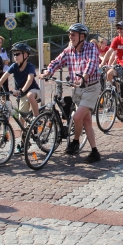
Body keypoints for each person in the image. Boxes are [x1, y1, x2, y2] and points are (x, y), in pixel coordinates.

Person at [42, 23, 101, 162]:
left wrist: (83, 78)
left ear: (82, 36)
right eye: (70, 34)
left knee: (77, 117)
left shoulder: (91, 47)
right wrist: (48, 72)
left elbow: (91, 64)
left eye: (73, 34)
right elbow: (57, 61)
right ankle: (94, 151)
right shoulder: (69, 50)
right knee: (86, 120)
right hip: (77, 89)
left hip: (91, 87)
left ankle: (75, 141)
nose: (70, 36)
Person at [0, 43, 40, 118]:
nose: (15, 56)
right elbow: (3, 77)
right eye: (14, 54)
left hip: (33, 90)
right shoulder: (14, 66)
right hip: (22, 94)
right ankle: (24, 129)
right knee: (21, 118)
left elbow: (30, 80)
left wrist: (21, 90)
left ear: (25, 55)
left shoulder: (30, 66)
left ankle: (37, 118)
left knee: (30, 95)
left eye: (17, 54)